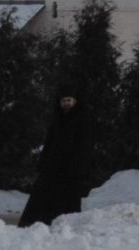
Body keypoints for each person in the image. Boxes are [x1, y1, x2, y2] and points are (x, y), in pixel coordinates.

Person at [19, 87, 93, 228]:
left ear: (75, 101)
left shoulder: (82, 118)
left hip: (72, 167)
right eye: (63, 101)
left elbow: (84, 145)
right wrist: (42, 163)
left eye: (69, 100)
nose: (66, 103)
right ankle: (34, 223)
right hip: (52, 165)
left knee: (68, 198)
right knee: (42, 193)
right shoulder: (57, 117)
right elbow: (49, 141)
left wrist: (78, 166)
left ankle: (67, 226)